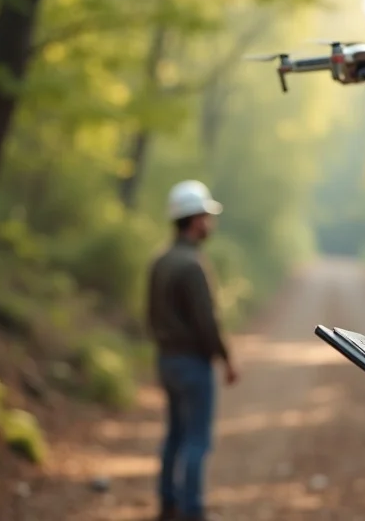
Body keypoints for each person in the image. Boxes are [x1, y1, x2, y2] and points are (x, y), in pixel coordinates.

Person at [147, 179, 239, 521]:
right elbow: (207, 323)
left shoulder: (160, 260)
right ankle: (192, 511)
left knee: (174, 434)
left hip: (166, 360)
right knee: (197, 440)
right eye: (206, 216)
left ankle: (167, 502)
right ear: (196, 219)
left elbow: (150, 314)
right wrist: (227, 359)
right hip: (193, 364)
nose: (210, 223)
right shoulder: (193, 265)